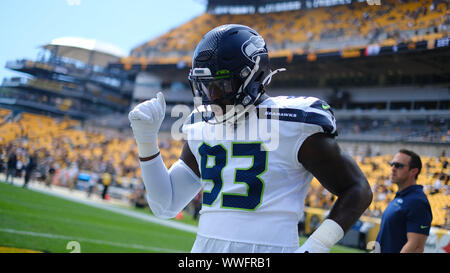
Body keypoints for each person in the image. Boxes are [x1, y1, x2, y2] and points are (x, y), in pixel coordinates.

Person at [129, 24, 372, 253]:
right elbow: (165, 205)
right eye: (204, 87)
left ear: (254, 77)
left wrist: (317, 245)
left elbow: (357, 188)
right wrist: (146, 139)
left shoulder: (294, 122)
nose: (211, 97)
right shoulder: (198, 124)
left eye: (221, 85)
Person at [376, 149, 432, 253]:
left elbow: (416, 247)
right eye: (392, 164)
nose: (393, 168)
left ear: (413, 171)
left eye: (398, 165)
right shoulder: (401, 197)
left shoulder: (417, 201)